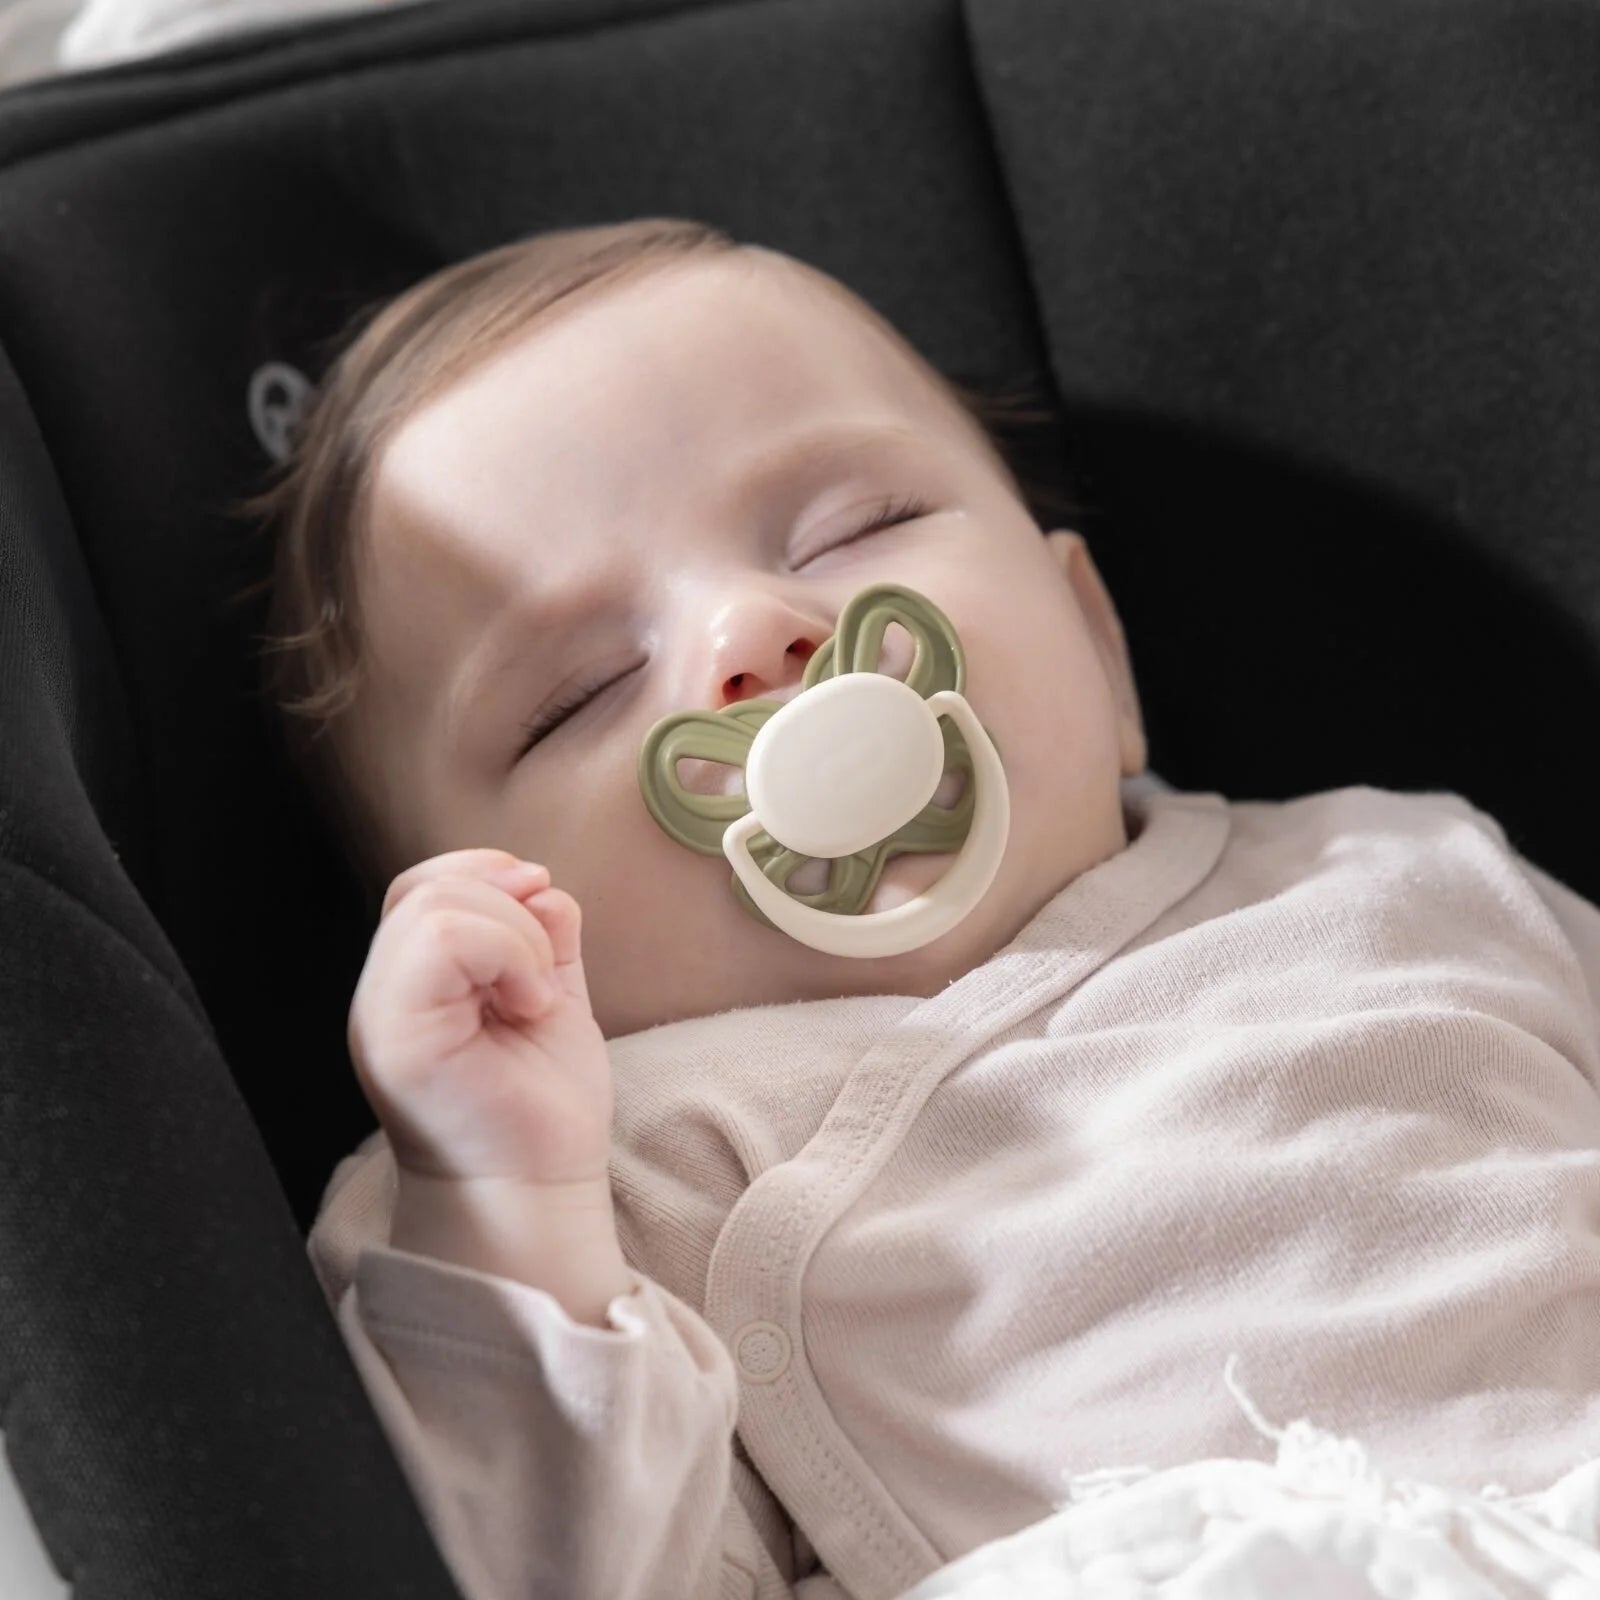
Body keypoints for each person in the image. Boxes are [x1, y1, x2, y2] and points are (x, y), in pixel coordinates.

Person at [233, 217, 1600, 1600]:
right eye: (579, 692)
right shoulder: (586, 1175)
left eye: (855, 529)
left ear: (1099, 645)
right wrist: (506, 1204)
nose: (752, 635)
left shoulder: (1397, 872)